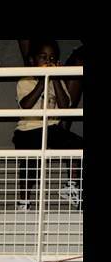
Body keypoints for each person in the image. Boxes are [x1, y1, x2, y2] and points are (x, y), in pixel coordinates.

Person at [12, 39, 83, 210]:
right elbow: (26, 105)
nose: (48, 61)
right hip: (28, 130)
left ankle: (72, 185)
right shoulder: (26, 81)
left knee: (77, 145)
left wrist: (55, 79)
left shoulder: (56, 82)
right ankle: (24, 201)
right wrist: (43, 81)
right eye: (43, 57)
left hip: (51, 128)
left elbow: (65, 107)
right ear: (32, 61)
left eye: (52, 58)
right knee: (30, 165)